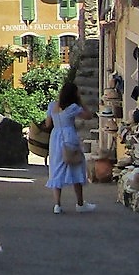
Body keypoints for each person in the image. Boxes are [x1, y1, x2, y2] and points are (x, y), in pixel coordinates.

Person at [45, 80, 97, 214]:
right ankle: (80, 203)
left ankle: (57, 205)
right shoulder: (73, 108)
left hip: (56, 137)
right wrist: (81, 102)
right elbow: (88, 116)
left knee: (56, 168)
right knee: (76, 166)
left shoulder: (52, 106)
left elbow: (47, 124)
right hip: (69, 136)